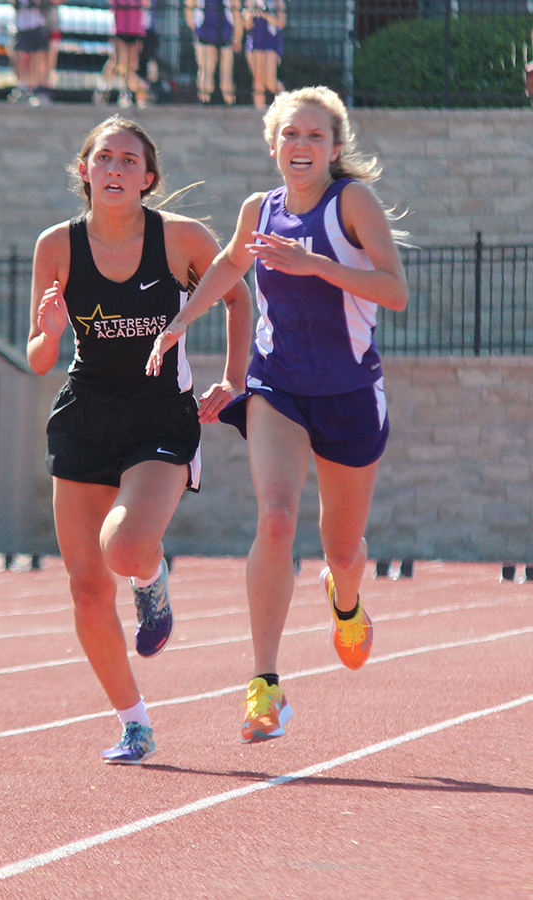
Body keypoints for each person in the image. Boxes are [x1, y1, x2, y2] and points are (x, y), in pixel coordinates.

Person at [146, 86, 409, 744]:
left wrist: (315, 264)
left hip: (349, 393)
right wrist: (180, 321)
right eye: (291, 134)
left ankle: (345, 600)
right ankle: (265, 684)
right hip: (277, 389)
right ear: (273, 144)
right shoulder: (256, 210)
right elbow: (230, 265)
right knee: (277, 515)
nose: (302, 146)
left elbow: (395, 291)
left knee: (342, 549)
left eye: (315, 137)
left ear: (335, 148)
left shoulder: (351, 203)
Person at [27, 116, 252, 764]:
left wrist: (232, 380)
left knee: (124, 547)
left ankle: (151, 582)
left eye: (130, 160)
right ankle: (135, 723)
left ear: (148, 178)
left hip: (160, 414)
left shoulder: (181, 239)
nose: (117, 168)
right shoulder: (57, 246)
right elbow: (41, 358)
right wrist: (47, 329)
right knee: (87, 590)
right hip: (86, 414)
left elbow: (238, 298)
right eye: (105, 158)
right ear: (85, 171)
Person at [185, 0, 243, 106]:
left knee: (209, 71)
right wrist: (238, 36)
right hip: (213, 26)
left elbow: (189, 8)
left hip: (212, 27)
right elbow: (236, 11)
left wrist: (194, 28)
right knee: (216, 71)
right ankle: (223, 101)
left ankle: (207, 101)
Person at [243, 0, 285, 109]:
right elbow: (247, 26)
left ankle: (286, 104)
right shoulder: (251, 2)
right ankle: (259, 111)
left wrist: (264, 15)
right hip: (254, 43)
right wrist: (250, 15)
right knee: (258, 80)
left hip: (271, 43)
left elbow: (281, 23)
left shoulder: (277, 3)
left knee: (271, 82)